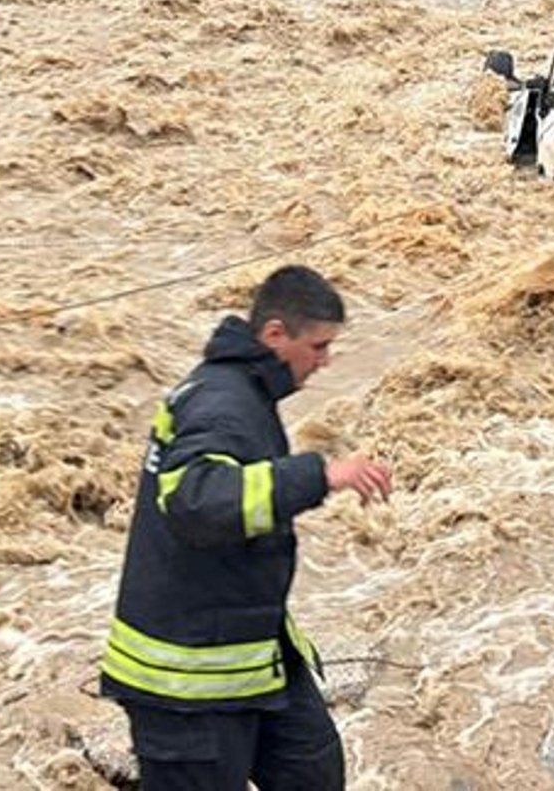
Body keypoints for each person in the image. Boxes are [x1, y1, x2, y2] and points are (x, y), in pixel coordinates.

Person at [100, 265, 392, 790]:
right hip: (188, 679)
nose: (325, 362)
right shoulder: (222, 403)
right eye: (319, 347)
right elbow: (198, 501)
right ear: (275, 334)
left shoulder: (241, 391)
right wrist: (320, 474)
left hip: (252, 647)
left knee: (313, 770)